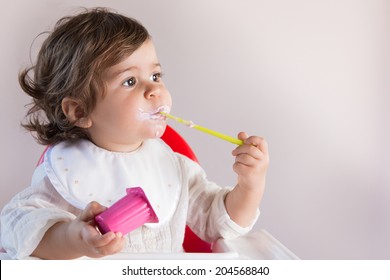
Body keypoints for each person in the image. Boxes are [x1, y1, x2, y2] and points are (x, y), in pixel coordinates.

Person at [0, 7, 269, 259]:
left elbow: (219, 224)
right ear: (79, 111)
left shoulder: (173, 168)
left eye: (155, 76)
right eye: (130, 81)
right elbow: (18, 230)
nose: (153, 90)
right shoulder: (66, 171)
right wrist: (75, 238)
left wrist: (250, 185)